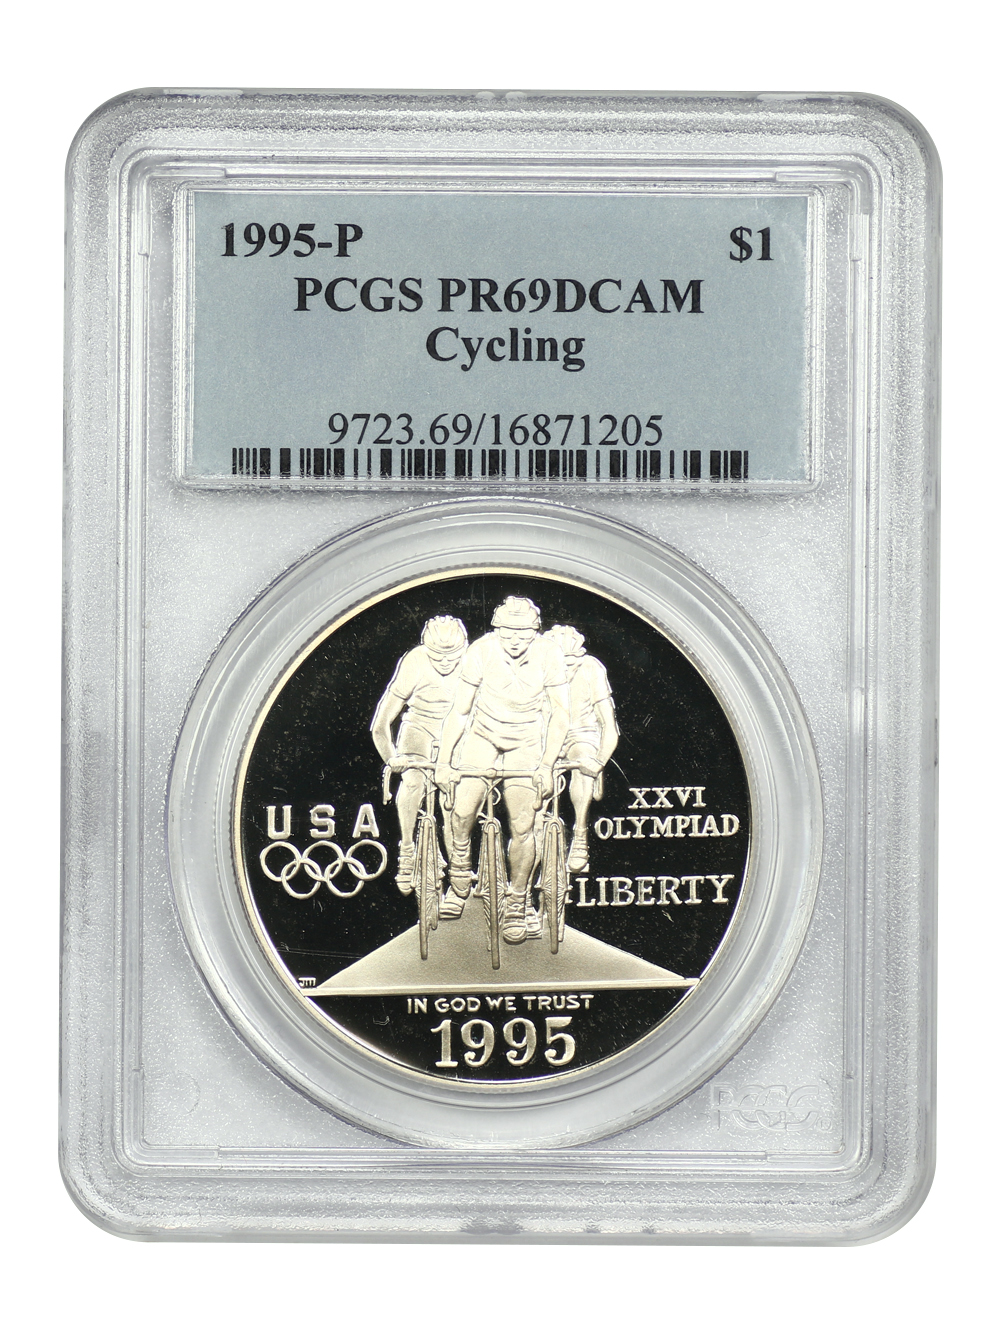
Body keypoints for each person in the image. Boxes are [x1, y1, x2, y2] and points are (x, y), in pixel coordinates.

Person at [434, 596, 570, 944]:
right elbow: (460, 711)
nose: (514, 640)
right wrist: (444, 761)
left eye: (522, 634)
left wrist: (546, 765)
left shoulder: (549, 654)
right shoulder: (481, 650)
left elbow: (560, 715)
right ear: (497, 629)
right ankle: (460, 875)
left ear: (535, 632)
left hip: (526, 741)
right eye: (507, 632)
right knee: (461, 811)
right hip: (483, 735)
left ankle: (518, 901)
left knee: (523, 825)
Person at [370, 615, 468, 891]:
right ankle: (407, 849)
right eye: (437, 656)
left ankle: (458, 859)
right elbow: (380, 724)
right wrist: (392, 759)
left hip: (458, 730)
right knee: (413, 781)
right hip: (419, 726)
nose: (445, 662)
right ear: (426, 649)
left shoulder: (474, 661)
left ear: (464, 649)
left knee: (451, 795)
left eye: (452, 656)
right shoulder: (414, 661)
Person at [543, 625, 619, 872]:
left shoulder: (592, 669)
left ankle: (580, 833)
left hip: (581, 733)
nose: (566, 670)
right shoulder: (533, 667)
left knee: (583, 761)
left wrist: (598, 761)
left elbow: (609, 725)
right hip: (544, 734)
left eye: (571, 663)